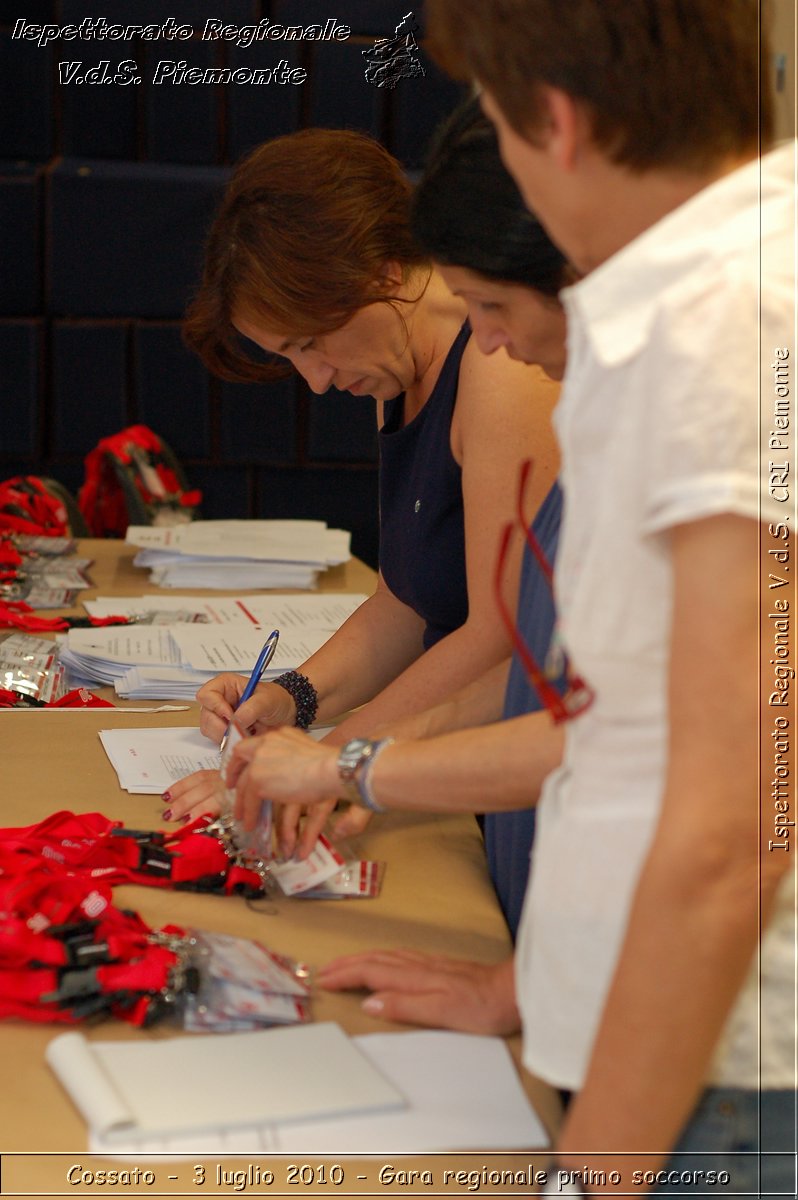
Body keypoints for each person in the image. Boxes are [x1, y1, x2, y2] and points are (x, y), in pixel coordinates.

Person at [234, 3, 797, 1194]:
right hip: (642, 1030)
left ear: (557, 118)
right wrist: (521, 989)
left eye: (491, 112)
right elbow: (618, 731)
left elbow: (734, 808)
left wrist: (596, 1166)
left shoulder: (735, 324)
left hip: (716, 1071)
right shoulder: (674, 313)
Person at [170, 103, 573, 939]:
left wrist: (332, 759)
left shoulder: (502, 370)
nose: (315, 382)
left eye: (314, 344)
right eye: (291, 358)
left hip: (512, 783)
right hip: (457, 758)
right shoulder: (392, 365)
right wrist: (291, 702)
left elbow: (502, 635)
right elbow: (408, 600)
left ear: (384, 272)